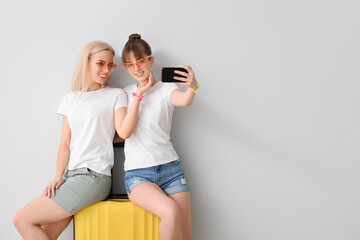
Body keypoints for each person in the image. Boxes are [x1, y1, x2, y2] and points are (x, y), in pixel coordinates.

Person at [13, 40, 152, 240]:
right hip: (71, 176)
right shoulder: (71, 99)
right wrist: (58, 176)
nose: (106, 70)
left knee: (21, 220)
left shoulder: (115, 95)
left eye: (110, 65)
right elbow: (65, 143)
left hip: (94, 176)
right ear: (86, 62)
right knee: (46, 235)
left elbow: (123, 132)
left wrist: (137, 97)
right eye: (100, 63)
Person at [121, 33, 199, 240]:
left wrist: (193, 87)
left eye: (140, 61)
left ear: (150, 60)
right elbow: (124, 132)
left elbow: (184, 101)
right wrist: (139, 95)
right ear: (125, 67)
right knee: (170, 211)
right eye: (130, 65)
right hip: (138, 175)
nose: (136, 68)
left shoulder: (166, 89)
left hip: (171, 169)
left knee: (186, 236)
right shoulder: (125, 93)